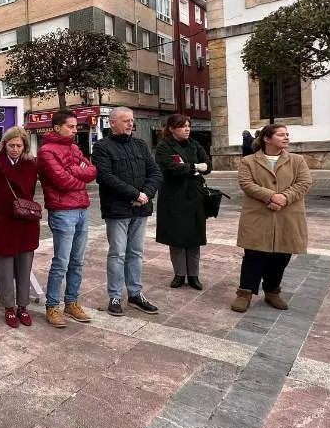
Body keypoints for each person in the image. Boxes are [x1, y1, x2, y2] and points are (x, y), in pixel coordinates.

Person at [231, 125, 313, 313]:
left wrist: (284, 197)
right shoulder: (249, 161)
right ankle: (244, 293)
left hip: (288, 216)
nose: (286, 138)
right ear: (267, 138)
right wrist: (270, 196)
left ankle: (272, 291)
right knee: (254, 255)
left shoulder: (297, 160)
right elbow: (246, 183)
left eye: (287, 135)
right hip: (258, 216)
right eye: (281, 135)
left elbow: (304, 182)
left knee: (282, 255)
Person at [92, 107, 163, 316]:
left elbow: (155, 173)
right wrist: (134, 194)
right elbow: (105, 177)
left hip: (141, 208)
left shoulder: (141, 145)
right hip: (117, 210)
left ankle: (135, 293)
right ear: (112, 123)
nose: (130, 124)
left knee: (136, 253)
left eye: (132, 120)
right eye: (125, 120)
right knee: (117, 254)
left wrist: (146, 195)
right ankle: (114, 296)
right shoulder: (102, 147)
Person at [37, 111, 97, 327]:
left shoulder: (74, 148)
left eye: (75, 127)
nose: (74, 130)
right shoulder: (46, 151)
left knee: (77, 261)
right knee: (61, 262)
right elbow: (61, 181)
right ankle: (52, 306)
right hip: (62, 211)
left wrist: (74, 171)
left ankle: (71, 302)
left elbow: (92, 171)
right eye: (70, 126)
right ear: (56, 127)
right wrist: (78, 175)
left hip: (82, 209)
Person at [0, 126, 40, 328]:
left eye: (18, 145)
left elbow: (31, 191)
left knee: (25, 267)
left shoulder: (31, 166)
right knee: (5, 269)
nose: (14, 149)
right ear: (4, 145)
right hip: (3, 223)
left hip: (26, 223)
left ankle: (23, 306)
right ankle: (8, 308)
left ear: (24, 147)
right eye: (11, 145)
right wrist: (0, 211)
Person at [154, 114, 212, 290]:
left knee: (194, 237)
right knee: (177, 237)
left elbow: (208, 164)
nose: (187, 129)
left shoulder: (194, 144)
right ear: (172, 128)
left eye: (188, 125)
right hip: (174, 197)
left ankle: (194, 275)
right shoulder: (164, 146)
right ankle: (179, 274)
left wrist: (194, 167)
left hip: (194, 195)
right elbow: (170, 168)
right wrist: (194, 167)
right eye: (182, 126)